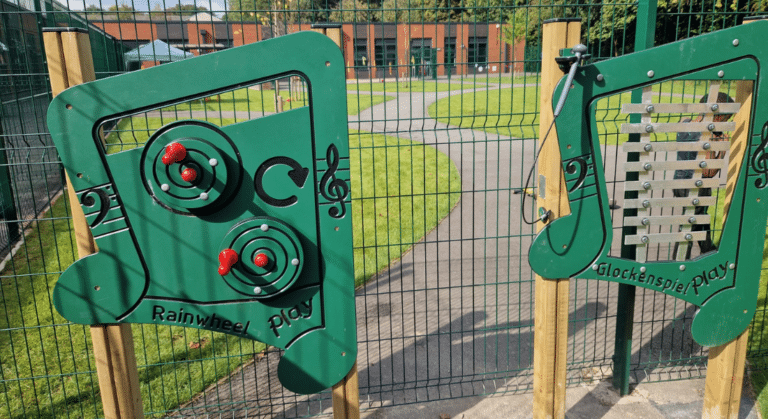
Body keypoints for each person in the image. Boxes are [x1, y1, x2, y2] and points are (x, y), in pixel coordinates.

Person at [672, 92, 734, 259]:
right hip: (697, 186)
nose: (727, 123)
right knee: (690, 225)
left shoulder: (685, 123)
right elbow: (708, 171)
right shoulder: (710, 136)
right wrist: (722, 148)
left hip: (679, 182)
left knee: (701, 220)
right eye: (727, 119)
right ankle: (679, 260)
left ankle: (709, 253)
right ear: (718, 117)